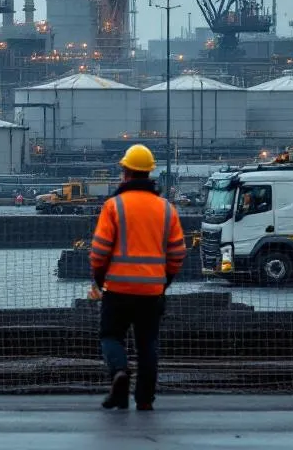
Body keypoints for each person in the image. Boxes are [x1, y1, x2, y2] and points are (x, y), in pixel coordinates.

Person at [88, 143, 186, 411]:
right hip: (151, 291)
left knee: (111, 336)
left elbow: (99, 252)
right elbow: (178, 252)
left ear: (127, 173)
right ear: (149, 173)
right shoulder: (166, 209)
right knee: (147, 344)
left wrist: (100, 280)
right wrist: (163, 281)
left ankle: (119, 373)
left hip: (117, 289)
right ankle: (144, 399)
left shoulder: (114, 206)